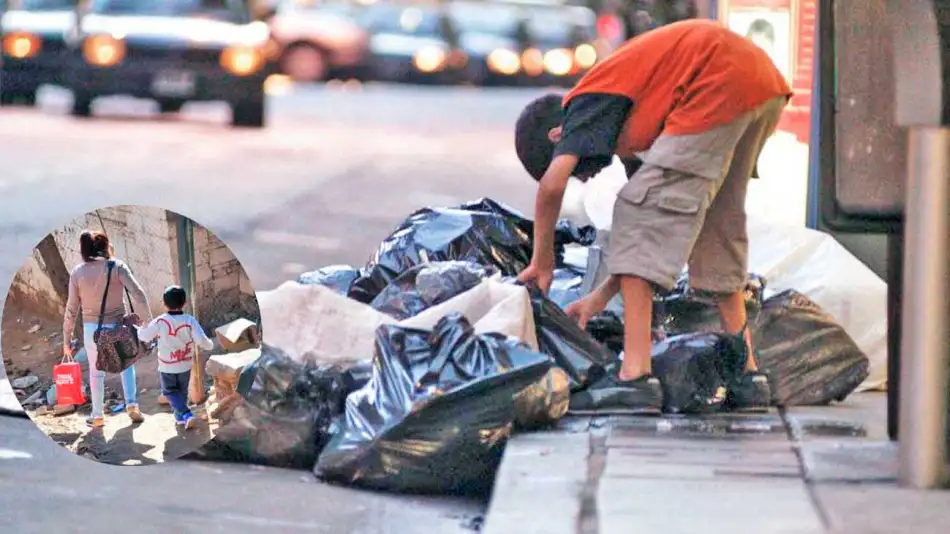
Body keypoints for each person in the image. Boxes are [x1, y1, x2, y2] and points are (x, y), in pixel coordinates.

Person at [513, 19, 791, 415]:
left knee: (633, 213)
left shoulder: (583, 103)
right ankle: (747, 376)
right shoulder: (633, 128)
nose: (583, 177)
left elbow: (551, 187)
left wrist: (542, 261)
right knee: (716, 229)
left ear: (558, 136)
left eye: (575, 170)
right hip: (760, 84)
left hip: (716, 80)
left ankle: (635, 377)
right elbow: (650, 237)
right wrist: (598, 298)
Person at [63, 231, 151, 427]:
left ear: (84, 249)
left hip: (93, 331)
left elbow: (71, 309)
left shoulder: (77, 273)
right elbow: (139, 294)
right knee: (127, 364)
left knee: (96, 372)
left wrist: (66, 339)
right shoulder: (117, 266)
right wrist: (148, 322)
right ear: (105, 245)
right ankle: (132, 405)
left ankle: (97, 416)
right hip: (119, 327)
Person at [136, 285, 213, 430]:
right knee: (182, 392)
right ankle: (180, 418)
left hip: (167, 366)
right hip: (185, 365)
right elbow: (201, 340)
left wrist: (141, 329)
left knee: (169, 392)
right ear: (185, 303)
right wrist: (210, 345)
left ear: (164, 304)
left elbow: (144, 337)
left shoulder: (160, 321)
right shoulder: (190, 320)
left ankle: (186, 414)